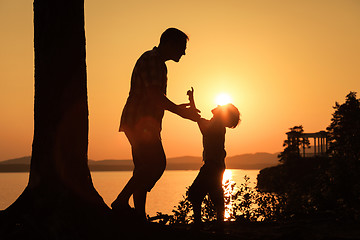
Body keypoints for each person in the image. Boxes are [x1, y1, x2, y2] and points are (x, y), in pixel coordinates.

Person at [112, 28, 200, 220]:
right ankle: (120, 201)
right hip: (140, 122)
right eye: (182, 47)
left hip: (141, 122)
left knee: (142, 167)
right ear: (169, 44)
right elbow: (154, 96)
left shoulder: (157, 62)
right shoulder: (153, 60)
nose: (184, 53)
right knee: (156, 163)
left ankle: (138, 216)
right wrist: (180, 111)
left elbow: (156, 96)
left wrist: (179, 110)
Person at [187, 88, 240, 230]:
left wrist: (192, 101)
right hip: (216, 165)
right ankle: (219, 225)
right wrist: (191, 100)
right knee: (215, 194)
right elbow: (197, 118)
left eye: (220, 107)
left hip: (212, 166)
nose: (217, 107)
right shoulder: (215, 124)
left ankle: (200, 225)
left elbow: (198, 120)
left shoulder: (216, 125)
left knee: (195, 193)